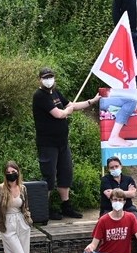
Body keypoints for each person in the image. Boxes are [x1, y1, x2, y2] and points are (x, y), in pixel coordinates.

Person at [33, 67, 99, 220]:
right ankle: (45, 209)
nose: (48, 80)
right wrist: (67, 111)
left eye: (50, 77)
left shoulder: (55, 93)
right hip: (47, 144)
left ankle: (66, 206)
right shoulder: (39, 96)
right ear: (40, 79)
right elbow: (59, 114)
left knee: (66, 172)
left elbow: (72, 105)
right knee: (49, 176)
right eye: (45, 77)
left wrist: (92, 101)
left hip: (62, 143)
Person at [98, 156, 137, 232]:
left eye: (116, 166)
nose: (114, 169)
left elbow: (133, 194)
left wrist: (115, 192)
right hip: (109, 209)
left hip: (128, 208)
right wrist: (127, 192)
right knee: (108, 225)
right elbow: (109, 195)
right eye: (112, 167)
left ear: (121, 166)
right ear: (108, 169)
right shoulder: (105, 180)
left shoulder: (128, 179)